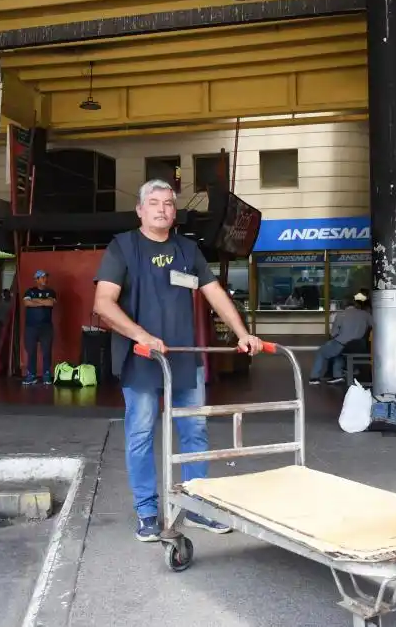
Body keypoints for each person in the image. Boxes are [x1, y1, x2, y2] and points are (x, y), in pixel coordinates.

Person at [93, 178, 264, 542]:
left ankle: (197, 504)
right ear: (140, 209)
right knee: (141, 435)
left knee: (195, 431)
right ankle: (148, 512)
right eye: (154, 202)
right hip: (141, 358)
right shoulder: (123, 247)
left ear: (175, 212)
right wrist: (141, 335)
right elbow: (103, 303)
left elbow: (214, 292)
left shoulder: (188, 250)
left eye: (169, 203)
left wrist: (242, 332)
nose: (162, 209)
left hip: (184, 357)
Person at [309, 292, 372, 385]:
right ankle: (337, 375)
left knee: (322, 351)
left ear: (343, 304)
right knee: (337, 352)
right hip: (359, 345)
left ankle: (314, 377)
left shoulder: (341, 315)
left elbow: (334, 333)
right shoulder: (365, 314)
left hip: (342, 343)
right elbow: (374, 326)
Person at [22, 270, 57, 386]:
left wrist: (35, 301)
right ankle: (31, 375)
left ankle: (46, 374)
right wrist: (43, 302)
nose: (44, 280)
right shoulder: (30, 291)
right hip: (31, 327)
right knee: (31, 351)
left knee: (46, 351)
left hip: (46, 327)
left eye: (45, 277)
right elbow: (27, 303)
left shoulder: (51, 291)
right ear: (36, 279)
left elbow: (50, 304)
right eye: (42, 278)